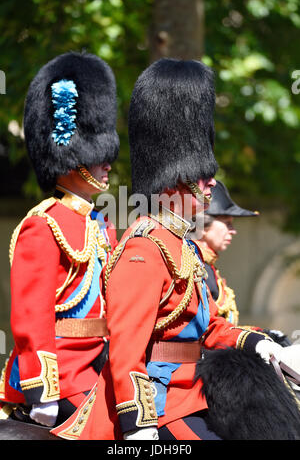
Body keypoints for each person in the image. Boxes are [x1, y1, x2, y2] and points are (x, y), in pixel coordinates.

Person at [51, 58, 285, 441]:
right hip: (158, 409)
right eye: (202, 174)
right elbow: (127, 349)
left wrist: (264, 344)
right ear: (176, 177)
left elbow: (208, 328)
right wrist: (138, 425)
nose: (211, 183)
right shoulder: (144, 248)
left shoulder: (182, 244)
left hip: (193, 397)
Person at [0, 52, 119, 428]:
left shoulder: (101, 224)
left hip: (102, 365)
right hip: (65, 376)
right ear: (72, 154)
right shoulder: (43, 224)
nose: (108, 163)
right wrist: (43, 391)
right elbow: (31, 318)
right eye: (98, 154)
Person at [189, 180, 291, 346]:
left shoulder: (208, 267)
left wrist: (260, 333)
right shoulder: (192, 265)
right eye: (227, 223)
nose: (233, 231)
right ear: (203, 225)